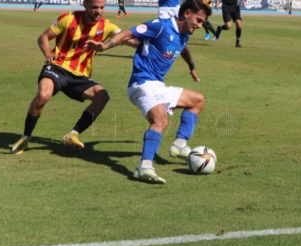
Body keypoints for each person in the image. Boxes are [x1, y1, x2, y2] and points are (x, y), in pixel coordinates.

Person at [84, 0, 212, 184]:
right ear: (187, 13)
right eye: (198, 20)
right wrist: (104, 47)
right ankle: (144, 168)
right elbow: (128, 33)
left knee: (197, 100)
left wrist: (191, 66)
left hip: (157, 85)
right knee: (161, 120)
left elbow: (183, 48)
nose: (200, 25)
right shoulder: (160, 26)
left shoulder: (184, 35)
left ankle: (180, 144)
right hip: (141, 83)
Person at [11, 0, 137, 155]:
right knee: (43, 95)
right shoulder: (68, 18)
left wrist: (152, 41)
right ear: (85, 5)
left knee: (102, 96)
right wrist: (48, 54)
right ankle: (26, 137)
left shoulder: (107, 26)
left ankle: (73, 134)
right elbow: (43, 37)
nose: (99, 11)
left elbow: (128, 39)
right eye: (94, 7)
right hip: (58, 67)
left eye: (102, 8)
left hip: (80, 76)